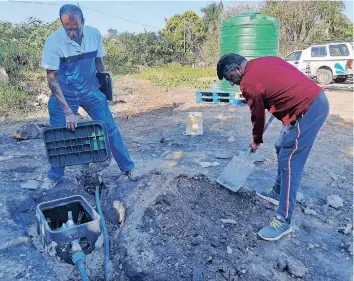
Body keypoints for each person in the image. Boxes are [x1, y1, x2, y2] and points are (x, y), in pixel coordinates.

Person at [216, 53, 329, 241]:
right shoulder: (264, 61)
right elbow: (279, 87)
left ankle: (283, 220)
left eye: (231, 79)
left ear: (237, 69)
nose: (232, 83)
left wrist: (256, 140)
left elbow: (257, 116)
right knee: (280, 145)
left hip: (308, 109)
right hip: (308, 102)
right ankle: (277, 191)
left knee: (290, 161)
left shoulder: (248, 82)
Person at [41, 4, 140, 189]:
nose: (71, 33)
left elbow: (99, 62)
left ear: (83, 22)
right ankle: (54, 176)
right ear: (62, 24)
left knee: (110, 128)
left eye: (75, 28)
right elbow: (52, 80)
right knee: (58, 135)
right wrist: (68, 111)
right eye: (67, 29)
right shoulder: (53, 41)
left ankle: (128, 168)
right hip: (64, 93)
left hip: (90, 90)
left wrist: (104, 90)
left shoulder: (94, 34)